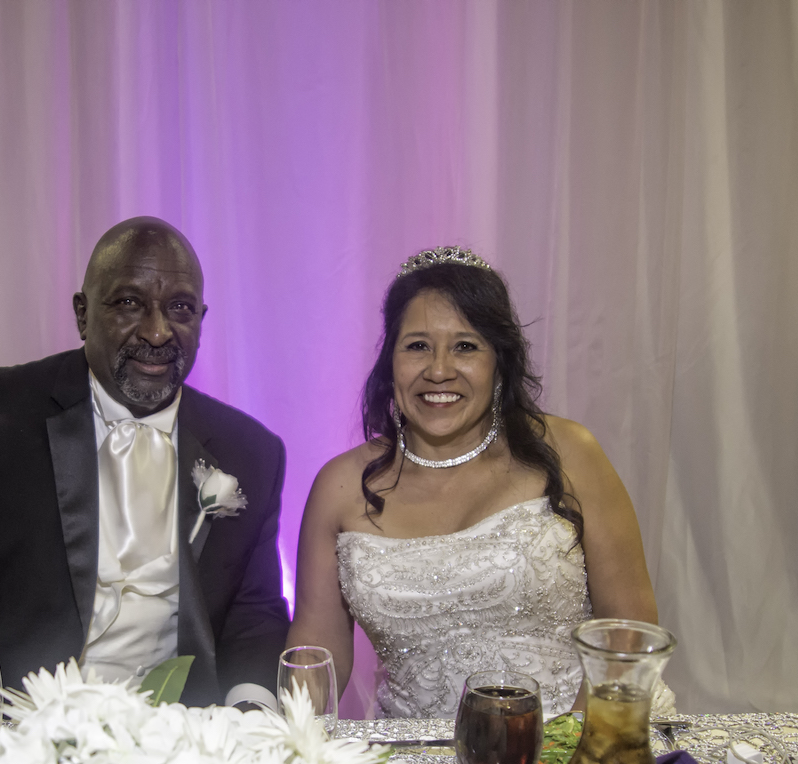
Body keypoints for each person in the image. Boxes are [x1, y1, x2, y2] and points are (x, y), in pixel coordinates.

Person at [0, 217, 287, 715]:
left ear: (201, 319)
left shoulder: (252, 452)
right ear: (82, 314)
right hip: (8, 733)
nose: (158, 331)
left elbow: (256, 614)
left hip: (180, 737)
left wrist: (252, 712)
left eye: (179, 308)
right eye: (128, 303)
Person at [287, 246, 672, 720]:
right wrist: (293, 752)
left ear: (499, 361)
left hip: (583, 739)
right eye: (417, 346)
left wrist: (574, 750)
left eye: (465, 346)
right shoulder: (340, 486)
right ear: (390, 360)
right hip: (416, 762)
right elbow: (315, 647)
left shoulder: (570, 453)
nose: (439, 370)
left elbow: (630, 626)